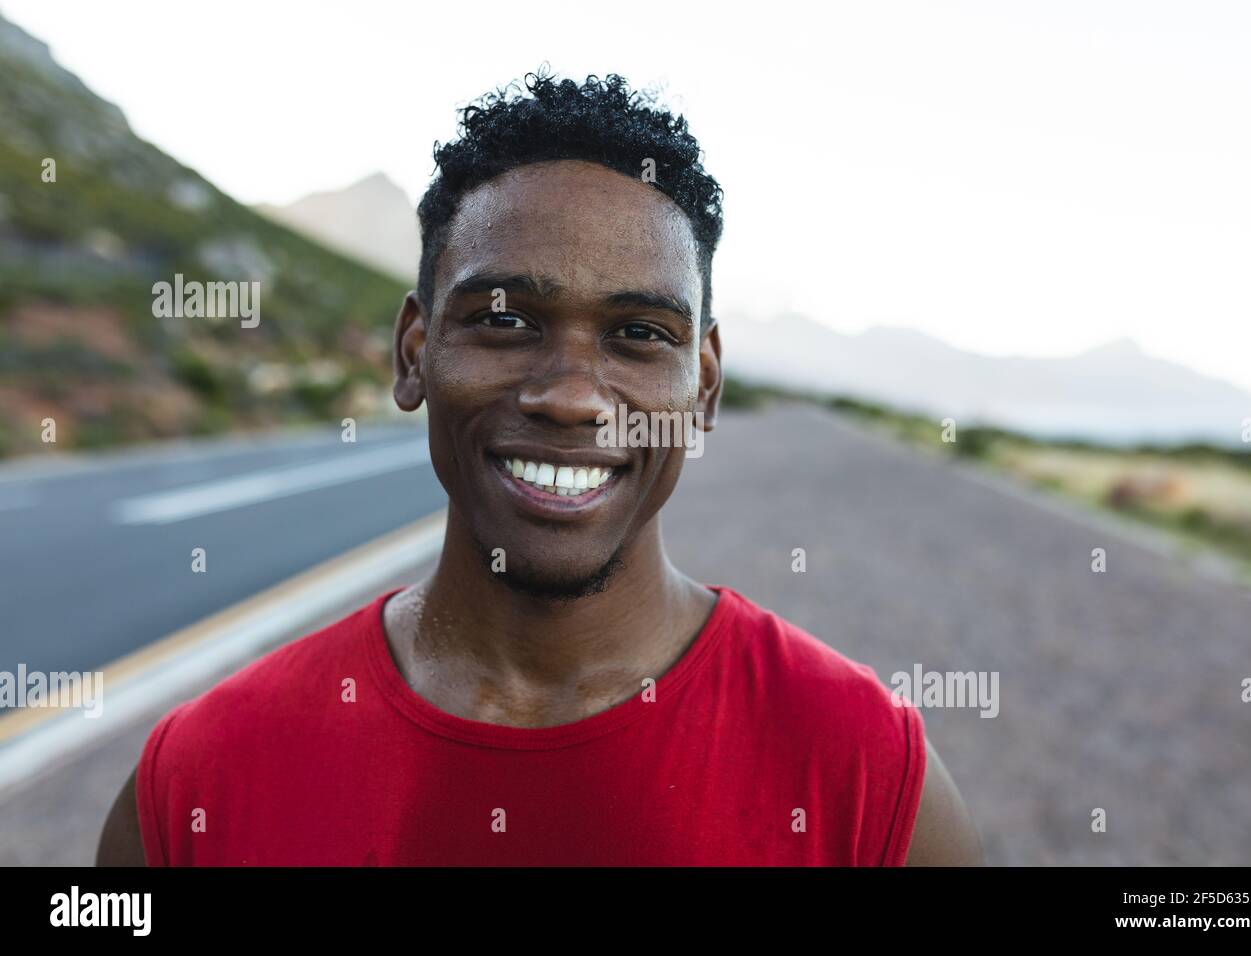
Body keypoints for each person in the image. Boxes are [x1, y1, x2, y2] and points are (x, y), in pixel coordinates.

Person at [97, 71, 981, 866]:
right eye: (505, 320)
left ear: (703, 386)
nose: (569, 397)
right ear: (415, 351)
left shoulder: (868, 778)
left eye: (639, 334)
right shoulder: (195, 784)